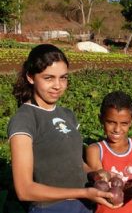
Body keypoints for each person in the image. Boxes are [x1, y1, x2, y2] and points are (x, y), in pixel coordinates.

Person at [7, 44, 118, 213]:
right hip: (51, 208)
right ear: (31, 77)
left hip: (84, 206)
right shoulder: (25, 119)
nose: (58, 85)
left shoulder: (67, 114)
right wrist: (84, 192)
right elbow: (24, 190)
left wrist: (95, 174)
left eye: (63, 78)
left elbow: (75, 162)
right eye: (49, 78)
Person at [86, 91, 132, 213]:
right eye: (111, 122)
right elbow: (101, 189)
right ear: (101, 119)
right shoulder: (95, 150)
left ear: (131, 121)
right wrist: (131, 190)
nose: (117, 129)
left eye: (124, 123)